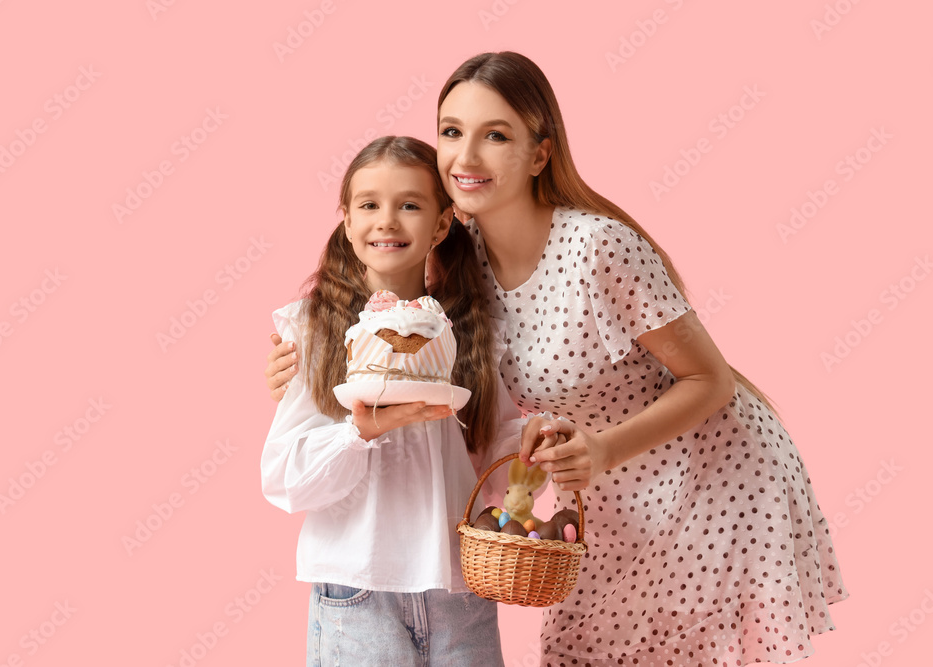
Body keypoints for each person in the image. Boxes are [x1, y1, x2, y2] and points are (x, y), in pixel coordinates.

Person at [267, 52, 847, 666]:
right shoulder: (466, 265)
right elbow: (390, 306)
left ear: (539, 154)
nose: (465, 158)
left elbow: (710, 380)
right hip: (602, 490)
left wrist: (601, 451)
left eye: (496, 136)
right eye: (452, 132)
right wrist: (309, 354)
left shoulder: (598, 246)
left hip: (708, 475)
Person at [261, 135, 519, 667]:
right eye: (369, 205)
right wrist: (360, 431)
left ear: (442, 224)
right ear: (348, 223)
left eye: (410, 204)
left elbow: (494, 458)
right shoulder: (312, 331)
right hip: (357, 591)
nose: (388, 220)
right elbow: (285, 476)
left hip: (460, 590)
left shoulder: (468, 330)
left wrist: (537, 446)